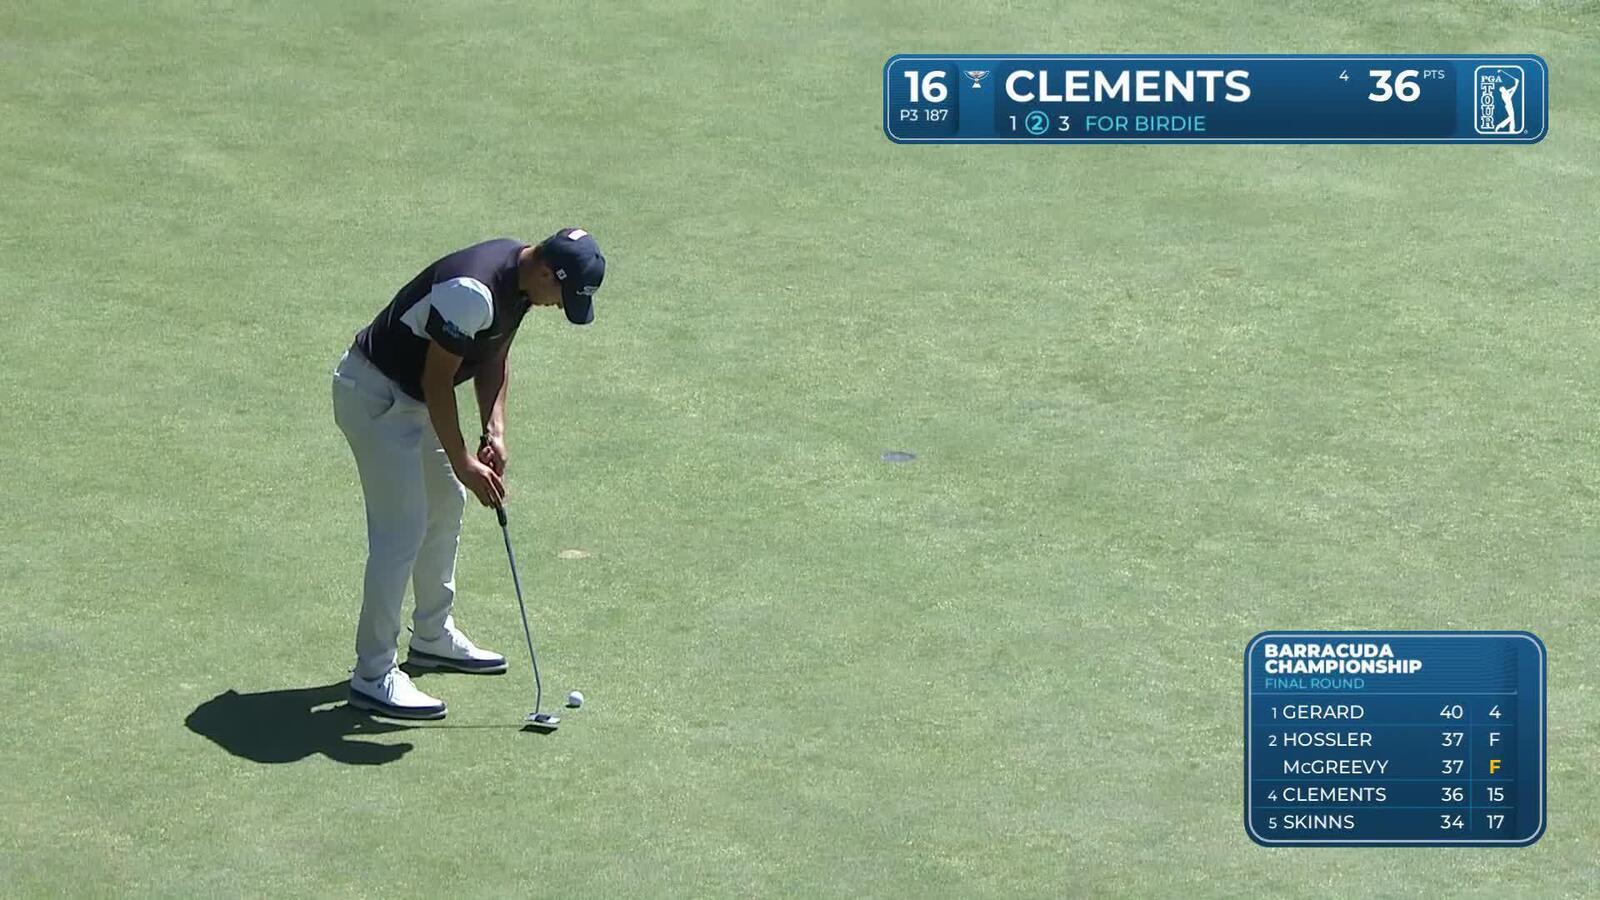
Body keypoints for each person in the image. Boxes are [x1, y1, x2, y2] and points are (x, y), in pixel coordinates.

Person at [331, 229, 605, 719]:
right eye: (561, 298)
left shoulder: (522, 284)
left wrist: (493, 429)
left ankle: (432, 635)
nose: (556, 308)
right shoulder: (472, 292)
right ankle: (372, 674)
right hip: (375, 395)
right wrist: (463, 461)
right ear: (546, 272)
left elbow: (493, 354)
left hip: (411, 400)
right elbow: (436, 380)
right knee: (402, 531)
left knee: (447, 503)